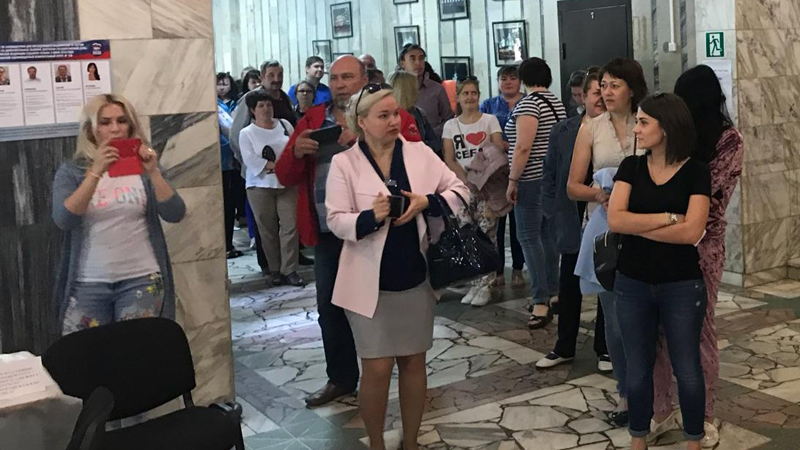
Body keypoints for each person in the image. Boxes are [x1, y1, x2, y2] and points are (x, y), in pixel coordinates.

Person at [326, 85, 469, 450]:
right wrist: (369, 218)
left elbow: (460, 191)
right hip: (367, 281)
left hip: (414, 276)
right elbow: (336, 220)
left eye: (396, 114)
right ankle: (376, 443)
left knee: (413, 362)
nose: (394, 121)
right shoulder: (345, 163)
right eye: (383, 116)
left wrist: (427, 201)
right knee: (376, 368)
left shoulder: (419, 153)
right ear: (362, 122)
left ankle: (411, 442)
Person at [275, 55, 422, 408]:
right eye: (335, 78)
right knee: (330, 307)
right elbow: (283, 174)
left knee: (388, 302)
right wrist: (296, 152)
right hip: (331, 232)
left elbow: (416, 156)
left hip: (383, 229)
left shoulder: (389, 112)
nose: (340, 84)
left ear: (364, 79)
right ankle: (341, 378)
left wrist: (364, 139)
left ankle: (402, 370)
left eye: (347, 77)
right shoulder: (312, 119)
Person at [608, 93, 711, 450]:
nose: (636, 129)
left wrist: (638, 226)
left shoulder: (696, 171)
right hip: (632, 281)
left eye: (643, 122)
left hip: (681, 284)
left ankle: (694, 441)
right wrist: (667, 218)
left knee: (688, 368)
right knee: (637, 369)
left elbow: (692, 232)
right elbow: (615, 220)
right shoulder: (631, 168)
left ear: (665, 128)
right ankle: (638, 439)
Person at [648, 65, 744, 448]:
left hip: (704, 245)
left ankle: (704, 417)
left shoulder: (729, 140)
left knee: (699, 330)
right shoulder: (676, 136)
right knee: (657, 329)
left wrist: (665, 202)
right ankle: (661, 410)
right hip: (664, 240)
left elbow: (702, 189)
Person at [52, 94, 186, 335]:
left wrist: (154, 173)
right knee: (84, 354)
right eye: (105, 122)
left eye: (122, 121)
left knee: (135, 352)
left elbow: (175, 213)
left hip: (141, 278)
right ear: (91, 129)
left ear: (131, 126)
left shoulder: (144, 169)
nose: (115, 129)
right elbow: (64, 219)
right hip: (88, 282)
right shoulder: (72, 172)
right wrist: (95, 172)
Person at [569, 57, 648, 426]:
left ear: (632, 88)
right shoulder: (591, 128)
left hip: (645, 227)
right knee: (615, 321)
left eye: (615, 85)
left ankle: (653, 390)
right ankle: (626, 392)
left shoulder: (647, 121)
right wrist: (599, 194)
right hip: (606, 232)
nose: (607, 92)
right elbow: (573, 186)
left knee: (647, 319)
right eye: (603, 85)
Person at [537, 67, 611, 371]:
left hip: (606, 217)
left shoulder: (616, 130)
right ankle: (564, 345)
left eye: (605, 92)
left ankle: (605, 348)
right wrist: (551, 211)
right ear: (583, 96)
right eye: (595, 92)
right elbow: (550, 173)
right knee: (568, 283)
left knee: (606, 280)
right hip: (571, 216)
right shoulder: (564, 130)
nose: (601, 98)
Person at [504, 57, 565, 329]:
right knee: (547, 237)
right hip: (552, 179)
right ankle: (553, 292)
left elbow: (523, 147)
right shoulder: (556, 102)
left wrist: (512, 179)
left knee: (528, 238)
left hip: (531, 179)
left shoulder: (529, 104)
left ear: (524, 78)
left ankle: (540, 299)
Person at [441, 78, 504, 306]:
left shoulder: (489, 120)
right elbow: (449, 158)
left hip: (486, 186)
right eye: (465, 93)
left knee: (488, 233)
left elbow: (497, 149)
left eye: (474, 93)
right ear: (458, 97)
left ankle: (487, 283)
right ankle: (475, 281)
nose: (470, 97)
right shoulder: (451, 125)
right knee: (467, 234)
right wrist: (466, 180)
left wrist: (480, 177)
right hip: (463, 187)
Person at [239, 91, 304, 287]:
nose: (266, 109)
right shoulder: (247, 133)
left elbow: (295, 148)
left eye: (268, 105)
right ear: (253, 110)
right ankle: (274, 269)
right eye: (261, 106)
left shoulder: (284, 125)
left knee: (290, 226)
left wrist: (286, 166)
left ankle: (290, 269)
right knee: (267, 230)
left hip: (287, 184)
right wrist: (278, 166)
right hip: (260, 187)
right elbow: (251, 160)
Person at [480, 65, 525, 288]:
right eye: (503, 78)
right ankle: (497, 270)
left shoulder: (527, 103)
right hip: (494, 173)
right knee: (495, 224)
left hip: (520, 169)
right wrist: (501, 144)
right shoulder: (488, 105)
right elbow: (480, 132)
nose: (508, 82)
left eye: (512, 78)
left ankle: (518, 268)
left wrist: (511, 145)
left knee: (518, 223)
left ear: (520, 81)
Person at [398, 44, 453, 138]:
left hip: (432, 141)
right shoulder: (395, 90)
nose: (418, 63)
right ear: (402, 63)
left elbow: (449, 120)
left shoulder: (437, 89)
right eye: (412, 59)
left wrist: (430, 134)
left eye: (421, 58)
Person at [217, 72, 244, 259]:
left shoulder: (238, 104)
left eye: (225, 83)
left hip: (236, 162)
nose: (222, 87)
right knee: (224, 205)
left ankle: (229, 243)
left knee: (232, 204)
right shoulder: (214, 107)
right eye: (218, 84)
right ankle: (225, 245)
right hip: (221, 161)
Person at [388, 70, 441, 157]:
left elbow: (435, 143)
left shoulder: (419, 113)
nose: (418, 91)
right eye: (415, 88)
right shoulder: (389, 117)